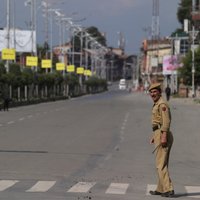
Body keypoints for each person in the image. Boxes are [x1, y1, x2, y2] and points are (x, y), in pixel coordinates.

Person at [148, 83, 174, 197]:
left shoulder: (162, 104)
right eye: (151, 92)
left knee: (160, 164)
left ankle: (169, 189)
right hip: (159, 133)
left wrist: (163, 136)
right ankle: (161, 188)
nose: (153, 94)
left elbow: (166, 121)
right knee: (161, 163)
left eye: (155, 92)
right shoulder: (156, 104)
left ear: (159, 92)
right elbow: (158, 122)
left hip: (164, 134)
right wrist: (155, 135)